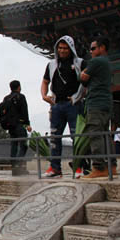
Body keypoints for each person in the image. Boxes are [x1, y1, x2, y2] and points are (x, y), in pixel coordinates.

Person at [40, 35, 87, 178]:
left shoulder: (80, 62)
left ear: (71, 48)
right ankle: (55, 168)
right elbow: (45, 81)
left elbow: (85, 82)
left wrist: (77, 97)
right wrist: (44, 95)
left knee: (76, 136)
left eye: (65, 48)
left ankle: (79, 167)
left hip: (73, 103)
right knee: (55, 137)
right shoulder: (52, 64)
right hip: (56, 104)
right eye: (60, 48)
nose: (62, 50)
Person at [80, 36, 117, 180]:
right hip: (106, 102)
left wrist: (81, 73)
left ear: (102, 48)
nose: (90, 51)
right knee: (105, 134)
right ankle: (112, 166)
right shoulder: (107, 62)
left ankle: (98, 167)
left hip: (95, 102)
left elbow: (82, 77)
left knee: (95, 134)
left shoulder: (96, 61)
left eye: (93, 48)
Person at [2, 80, 32, 167]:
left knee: (14, 145)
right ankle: (18, 164)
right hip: (19, 125)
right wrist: (27, 124)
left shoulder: (6, 98)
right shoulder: (21, 97)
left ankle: (13, 164)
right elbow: (24, 111)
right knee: (24, 145)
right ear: (19, 87)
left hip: (10, 126)